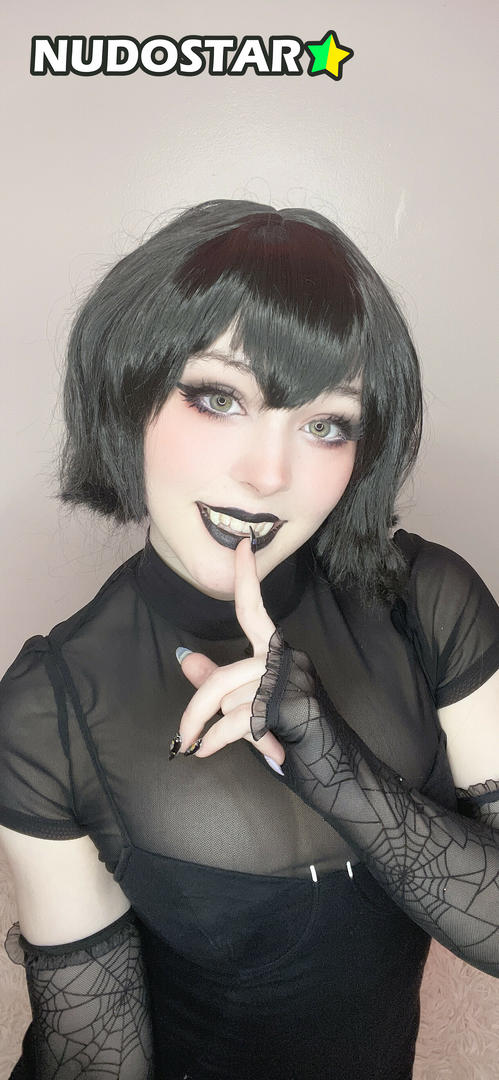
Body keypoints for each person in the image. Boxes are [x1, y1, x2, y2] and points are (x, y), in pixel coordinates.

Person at [0, 199, 498, 1080]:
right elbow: (96, 1057)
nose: (268, 475)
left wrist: (337, 771)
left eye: (325, 424)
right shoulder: (49, 709)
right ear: (128, 391)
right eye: (218, 398)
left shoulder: (427, 600)